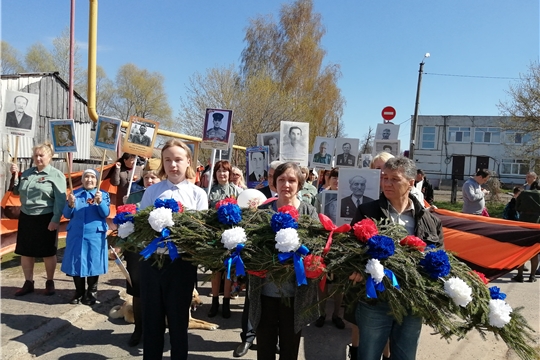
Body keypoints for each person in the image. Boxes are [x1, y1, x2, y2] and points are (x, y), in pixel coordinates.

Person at [350, 156, 444, 360]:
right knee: (368, 355)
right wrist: (357, 268)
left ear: (411, 182)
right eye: (384, 178)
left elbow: (439, 261)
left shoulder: (431, 221)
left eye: (394, 179)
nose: (387, 183)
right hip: (375, 301)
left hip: (411, 303)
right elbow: (351, 251)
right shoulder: (367, 212)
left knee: (405, 356)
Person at [138, 139, 208, 360]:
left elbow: (201, 231)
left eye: (178, 159)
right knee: (152, 321)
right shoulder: (152, 192)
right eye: (168, 160)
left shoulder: (197, 194)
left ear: (188, 161)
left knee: (178, 323)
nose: (173, 165)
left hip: (181, 265)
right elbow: (141, 226)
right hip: (152, 264)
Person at [250, 162, 319, 360]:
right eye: (281, 180)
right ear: (274, 183)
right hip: (265, 292)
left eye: (291, 180)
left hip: (295, 295)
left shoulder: (309, 213)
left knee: (290, 349)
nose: (286, 185)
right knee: (265, 347)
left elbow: (316, 248)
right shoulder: (263, 212)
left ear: (300, 184)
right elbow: (251, 249)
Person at [9, 142, 67, 296]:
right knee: (26, 251)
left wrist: (55, 219)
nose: (38, 158)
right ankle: (28, 282)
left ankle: (49, 281)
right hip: (27, 216)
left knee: (47, 252)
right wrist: (15, 175)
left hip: (46, 217)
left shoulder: (56, 175)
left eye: (41, 155)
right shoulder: (28, 173)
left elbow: (60, 201)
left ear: (50, 157)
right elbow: (16, 191)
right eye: (36, 155)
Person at [123, 159, 162, 347]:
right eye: (146, 177)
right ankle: (138, 329)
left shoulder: (165, 196)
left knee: (159, 292)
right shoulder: (134, 196)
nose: (149, 180)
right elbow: (126, 224)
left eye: (153, 177)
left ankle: (158, 329)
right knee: (137, 291)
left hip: (160, 251)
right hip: (136, 250)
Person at [61, 169, 110, 306]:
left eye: (92, 177)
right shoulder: (74, 194)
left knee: (93, 262)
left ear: (97, 181)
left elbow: (105, 213)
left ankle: (91, 293)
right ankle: (79, 292)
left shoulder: (103, 195)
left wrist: (100, 202)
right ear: (82, 180)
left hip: (95, 234)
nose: (89, 179)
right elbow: (66, 214)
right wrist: (70, 204)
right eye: (86, 177)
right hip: (76, 234)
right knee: (77, 262)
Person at [207, 161, 243, 318]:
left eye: (225, 171)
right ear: (215, 174)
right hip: (214, 235)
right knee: (216, 270)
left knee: (228, 270)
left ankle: (226, 301)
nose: (222, 174)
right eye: (219, 171)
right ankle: (214, 301)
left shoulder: (237, 191)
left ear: (230, 174)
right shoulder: (209, 191)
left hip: (231, 235)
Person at [313, 167, 345, 330]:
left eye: (340, 178)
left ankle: (336, 315)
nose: (336, 180)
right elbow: (315, 217)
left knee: (339, 282)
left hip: (342, 244)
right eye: (334, 177)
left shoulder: (348, 198)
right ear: (328, 179)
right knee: (322, 280)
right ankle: (321, 313)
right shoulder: (320, 197)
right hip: (324, 242)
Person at [513, 181, 540, 283]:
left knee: (522, 249)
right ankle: (532, 276)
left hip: (524, 221)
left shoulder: (524, 193)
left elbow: (517, 207)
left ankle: (519, 275)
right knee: (535, 251)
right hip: (537, 222)